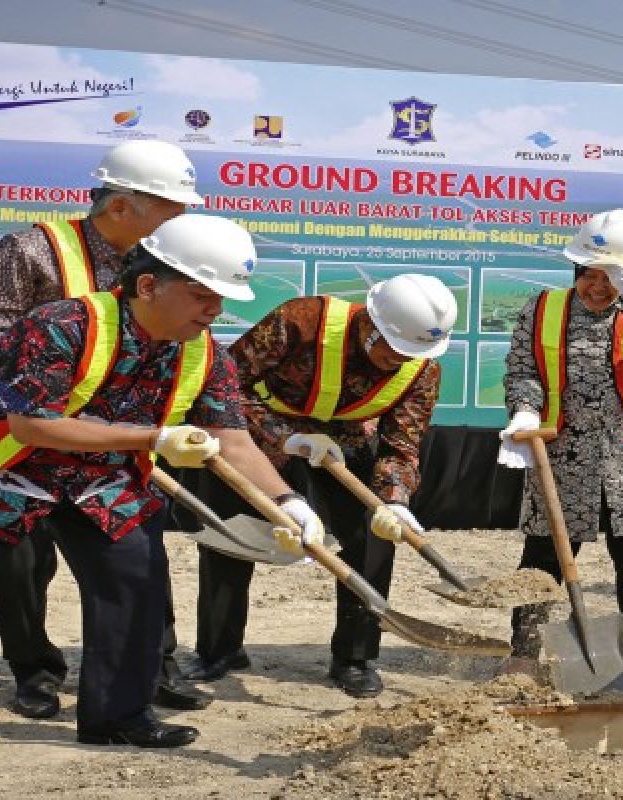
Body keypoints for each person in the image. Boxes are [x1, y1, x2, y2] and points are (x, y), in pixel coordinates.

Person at [0, 214, 326, 766]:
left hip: (97, 477)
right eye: (202, 295)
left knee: (136, 577)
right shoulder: (61, 324)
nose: (214, 310)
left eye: (221, 298)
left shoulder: (203, 352)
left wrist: (290, 502)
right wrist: (154, 437)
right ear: (148, 285)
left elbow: (233, 441)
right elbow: (31, 424)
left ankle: (119, 717)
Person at [0, 140, 209, 718]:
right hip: (30, 437)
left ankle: (152, 667)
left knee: (136, 556)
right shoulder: (32, 251)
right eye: (171, 208)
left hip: (114, 445)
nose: (182, 221)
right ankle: (34, 671)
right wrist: (49, 383)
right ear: (122, 206)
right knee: (22, 558)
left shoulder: (168, 262)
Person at [189, 274, 457, 698]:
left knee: (373, 537)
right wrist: (285, 437)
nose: (403, 360)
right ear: (371, 324)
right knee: (233, 537)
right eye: (395, 349)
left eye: (414, 353)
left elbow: (401, 444)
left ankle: (355, 657)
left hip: (346, 445)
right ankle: (218, 651)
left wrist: (396, 500)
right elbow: (224, 386)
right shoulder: (300, 321)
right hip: (260, 437)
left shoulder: (421, 367)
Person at [496, 209, 623, 674]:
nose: (597, 288)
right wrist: (524, 407)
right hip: (562, 455)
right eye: (589, 275)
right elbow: (523, 369)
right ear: (575, 270)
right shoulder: (542, 308)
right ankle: (523, 656)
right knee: (542, 557)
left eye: (611, 277)